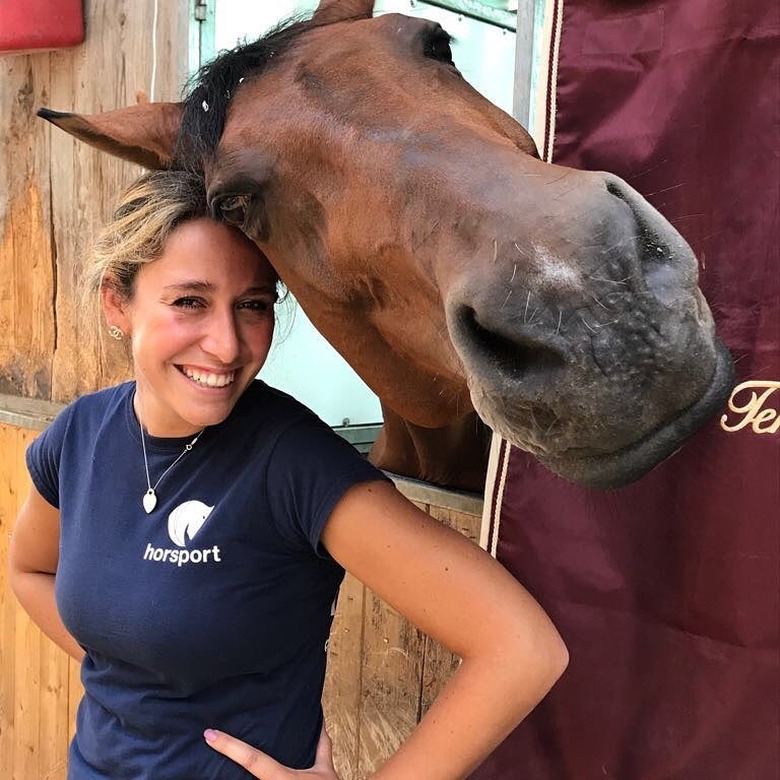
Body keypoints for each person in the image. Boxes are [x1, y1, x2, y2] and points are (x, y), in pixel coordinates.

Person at [8, 169, 568, 780]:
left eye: (253, 306)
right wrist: (136, 675)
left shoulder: (291, 461)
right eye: (190, 301)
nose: (227, 345)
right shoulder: (80, 434)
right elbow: (30, 569)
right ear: (118, 301)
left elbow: (522, 648)